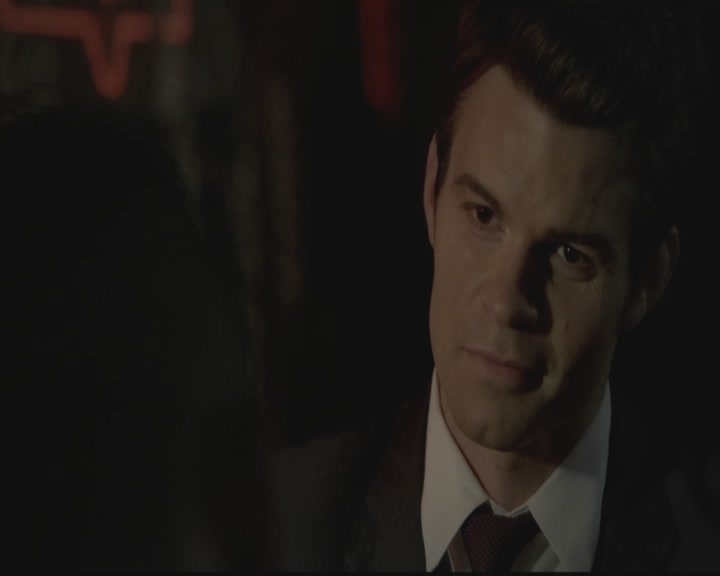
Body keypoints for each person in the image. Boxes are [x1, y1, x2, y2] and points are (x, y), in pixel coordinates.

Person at [267, 0, 720, 572]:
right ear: (432, 189)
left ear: (647, 279)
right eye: (483, 216)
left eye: (570, 254)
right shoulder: (271, 530)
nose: (507, 302)